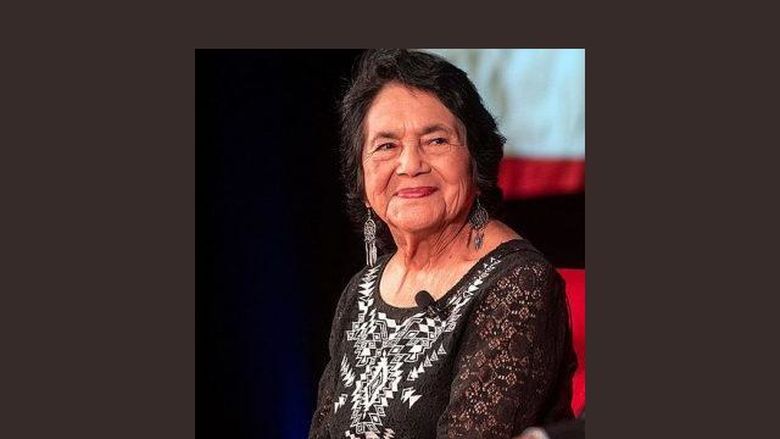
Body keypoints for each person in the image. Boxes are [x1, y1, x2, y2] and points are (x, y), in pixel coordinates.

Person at [308, 49, 577, 439]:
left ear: (476, 162)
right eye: (386, 146)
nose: (410, 164)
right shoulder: (361, 290)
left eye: (436, 140)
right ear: (361, 177)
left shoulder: (518, 285)